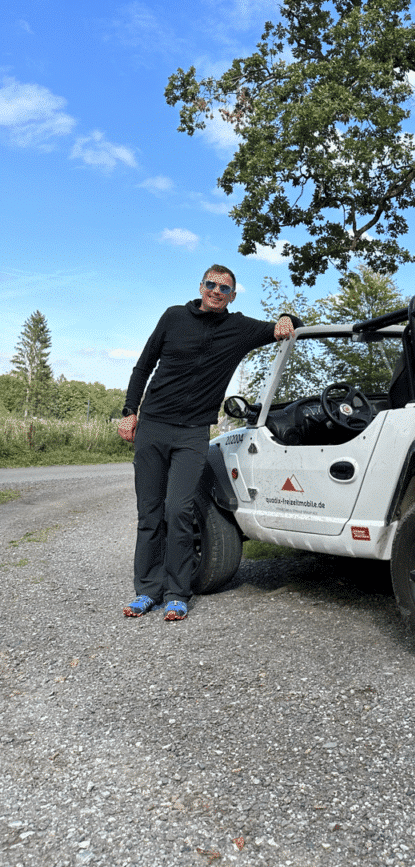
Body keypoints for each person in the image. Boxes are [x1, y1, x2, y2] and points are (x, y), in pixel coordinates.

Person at [117, 265, 302, 622]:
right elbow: (143, 367)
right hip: (153, 426)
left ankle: (176, 592)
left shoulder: (239, 328)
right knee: (150, 513)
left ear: (233, 295)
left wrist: (284, 317)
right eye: (211, 284)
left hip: (192, 433)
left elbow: (288, 324)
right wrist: (129, 410)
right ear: (201, 286)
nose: (217, 291)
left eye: (225, 288)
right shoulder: (173, 317)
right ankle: (147, 591)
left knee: (179, 510)